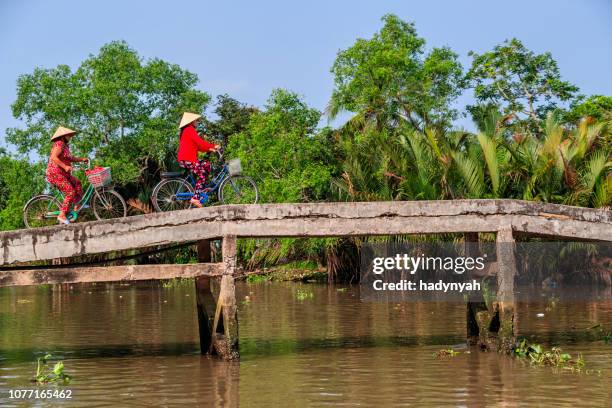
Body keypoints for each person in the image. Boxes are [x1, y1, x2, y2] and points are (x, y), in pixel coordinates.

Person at [46, 126, 89, 224]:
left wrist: (82, 159)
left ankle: (77, 204)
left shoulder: (65, 147)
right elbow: (54, 157)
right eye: (68, 135)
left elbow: (70, 158)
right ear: (62, 137)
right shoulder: (59, 144)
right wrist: (65, 167)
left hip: (64, 174)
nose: (70, 136)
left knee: (77, 183)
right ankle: (62, 215)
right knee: (70, 192)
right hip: (55, 173)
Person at [177, 112, 220, 208]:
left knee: (207, 165)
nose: (198, 122)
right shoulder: (189, 130)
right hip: (188, 159)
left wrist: (209, 148)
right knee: (202, 174)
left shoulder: (187, 130)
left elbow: (198, 146)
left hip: (187, 158)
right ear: (191, 122)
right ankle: (195, 198)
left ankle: (202, 189)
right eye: (196, 120)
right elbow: (200, 142)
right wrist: (213, 146)